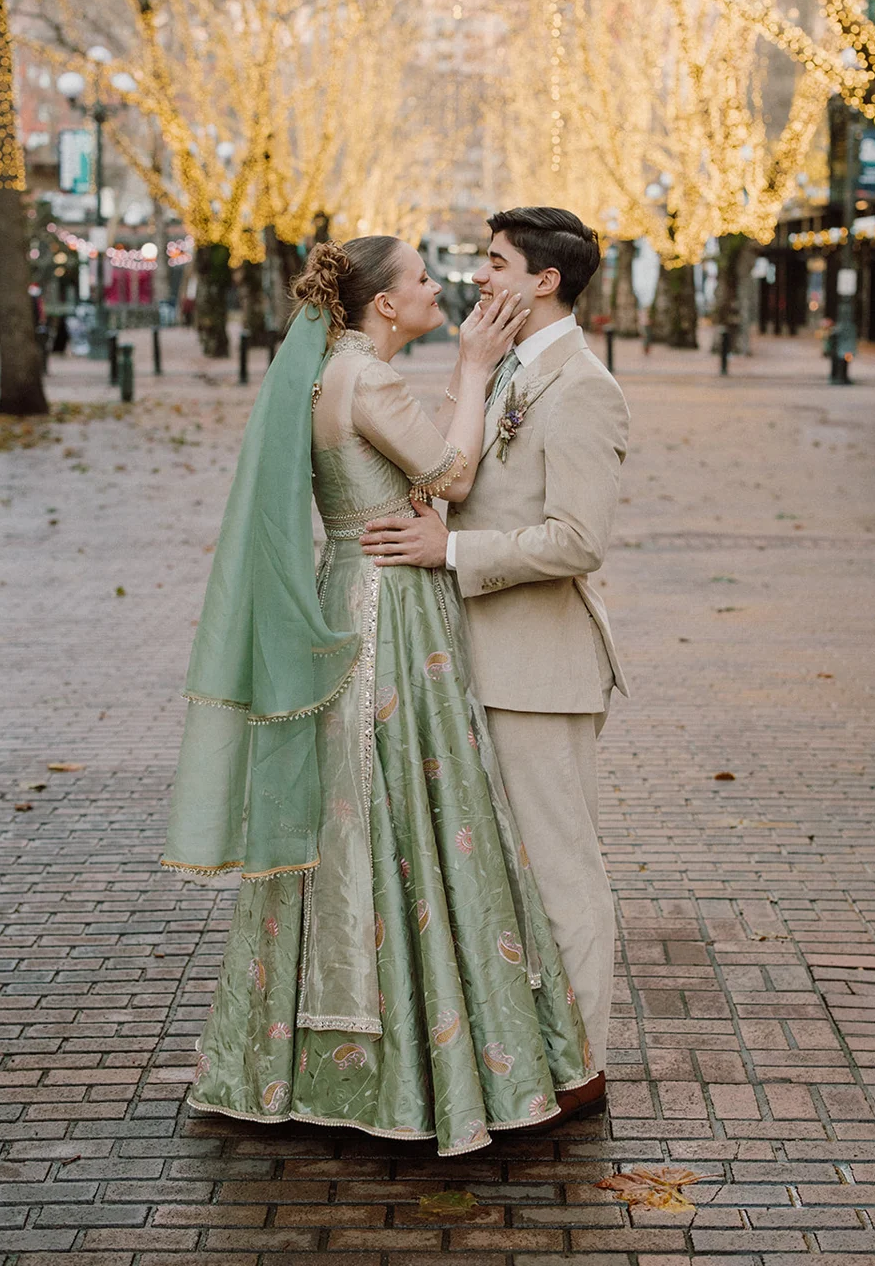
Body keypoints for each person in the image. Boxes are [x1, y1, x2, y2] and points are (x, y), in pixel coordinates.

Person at [162, 235, 602, 1155]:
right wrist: (476, 368)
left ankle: (313, 1054)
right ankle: (421, 1063)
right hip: (389, 608)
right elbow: (452, 475)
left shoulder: (337, 371)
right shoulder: (365, 378)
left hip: (350, 587)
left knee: (358, 813)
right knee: (410, 806)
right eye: (423, 280)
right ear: (384, 305)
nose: (442, 287)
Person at [362, 207, 631, 1120]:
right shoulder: (510, 365)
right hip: (477, 658)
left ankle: (584, 1068)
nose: (479, 277)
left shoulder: (585, 385)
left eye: (496, 262)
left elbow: (578, 540)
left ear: (544, 280)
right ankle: (531, 1055)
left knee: (561, 872)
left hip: (541, 667)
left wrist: (452, 554)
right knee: (506, 876)